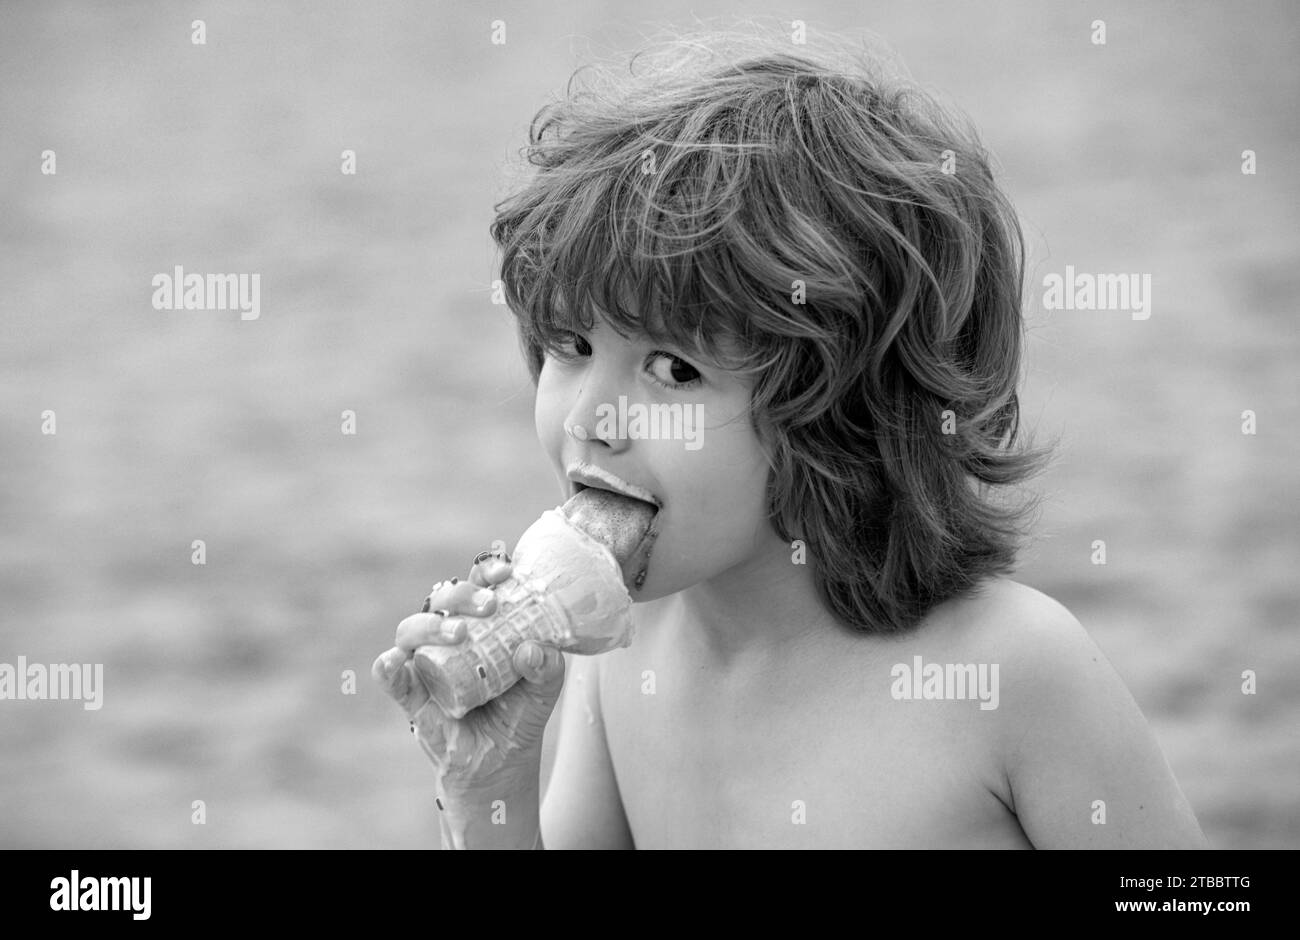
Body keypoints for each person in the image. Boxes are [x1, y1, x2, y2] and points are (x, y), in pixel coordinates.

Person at [372, 28, 1208, 849]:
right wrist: (487, 793)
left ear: (841, 408)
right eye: (571, 346)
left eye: (673, 370)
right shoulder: (623, 655)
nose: (593, 416)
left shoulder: (1014, 670)